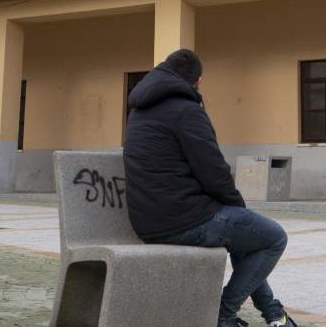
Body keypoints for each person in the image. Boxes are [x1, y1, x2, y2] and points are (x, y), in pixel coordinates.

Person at [123, 49, 297, 327]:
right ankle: (222, 315)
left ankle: (274, 315)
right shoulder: (186, 111)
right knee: (273, 237)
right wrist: (236, 203)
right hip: (183, 221)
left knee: (242, 232)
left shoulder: (138, 110)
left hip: (149, 221)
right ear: (196, 81)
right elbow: (213, 171)